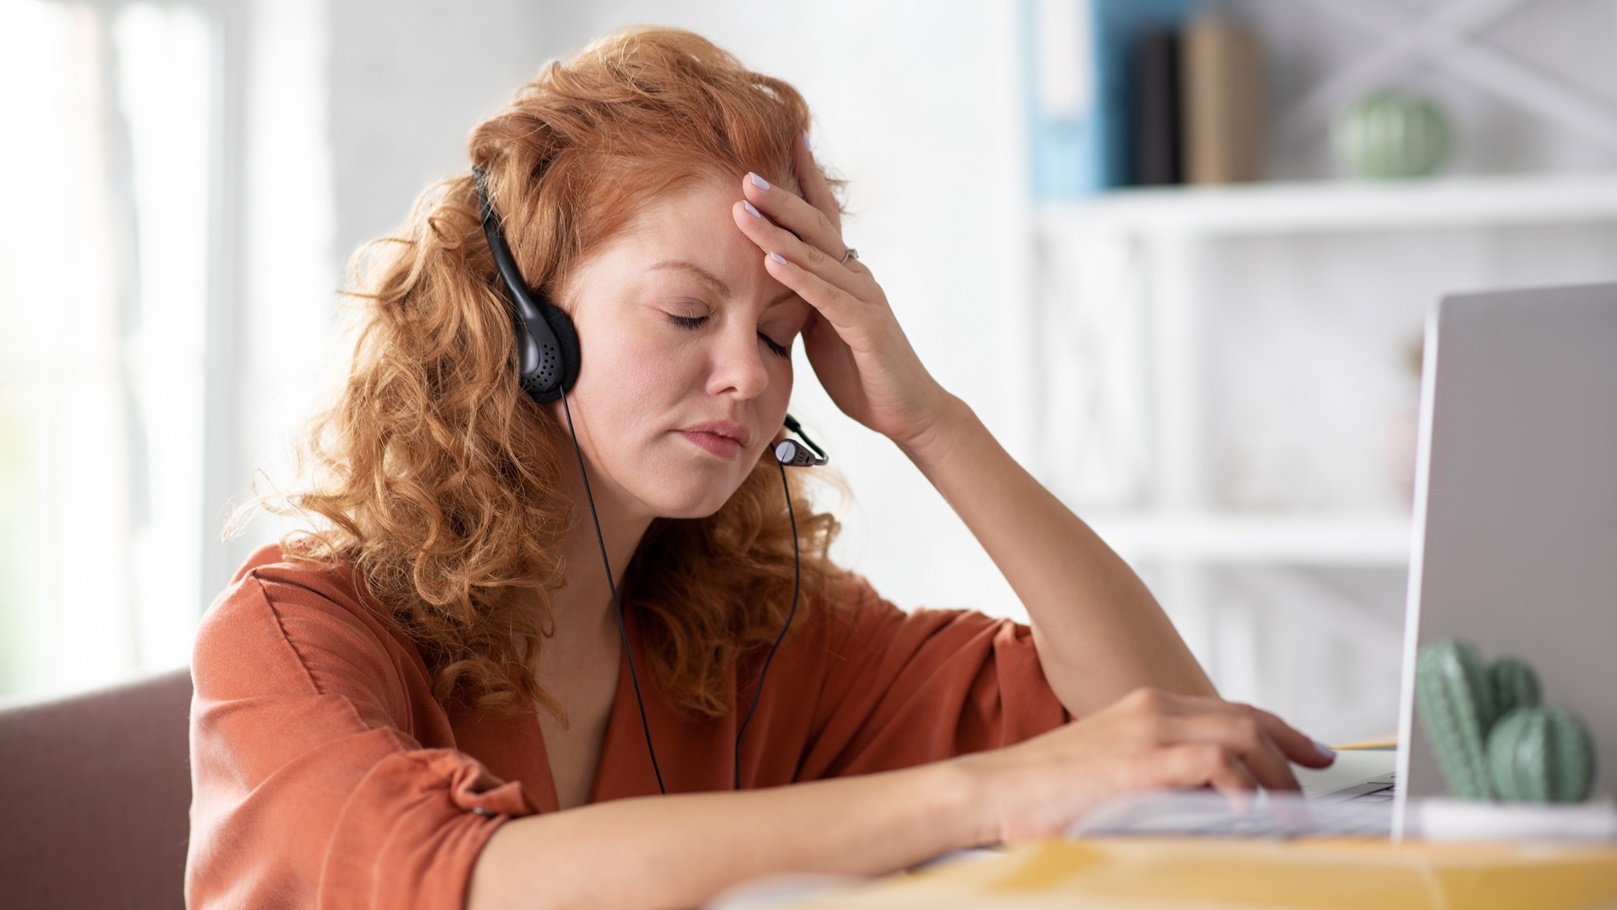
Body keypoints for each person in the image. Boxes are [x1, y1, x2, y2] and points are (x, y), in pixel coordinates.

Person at [185, 25, 1335, 910]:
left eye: (782, 333)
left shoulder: (747, 630)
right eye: (689, 312)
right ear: (524, 320)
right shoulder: (291, 632)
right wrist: (991, 793)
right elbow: (466, 880)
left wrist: (929, 420)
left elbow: (1151, 724)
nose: (751, 373)